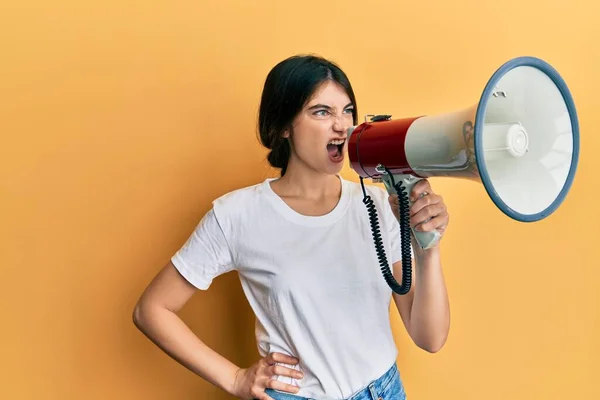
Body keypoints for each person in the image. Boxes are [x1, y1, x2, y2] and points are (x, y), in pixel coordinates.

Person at [133, 54, 451, 400]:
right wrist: (235, 378)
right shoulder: (237, 215)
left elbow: (430, 337)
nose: (342, 126)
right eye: (321, 112)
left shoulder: (376, 205)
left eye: (347, 111)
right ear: (284, 125)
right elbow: (151, 310)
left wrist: (427, 248)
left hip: (384, 391)